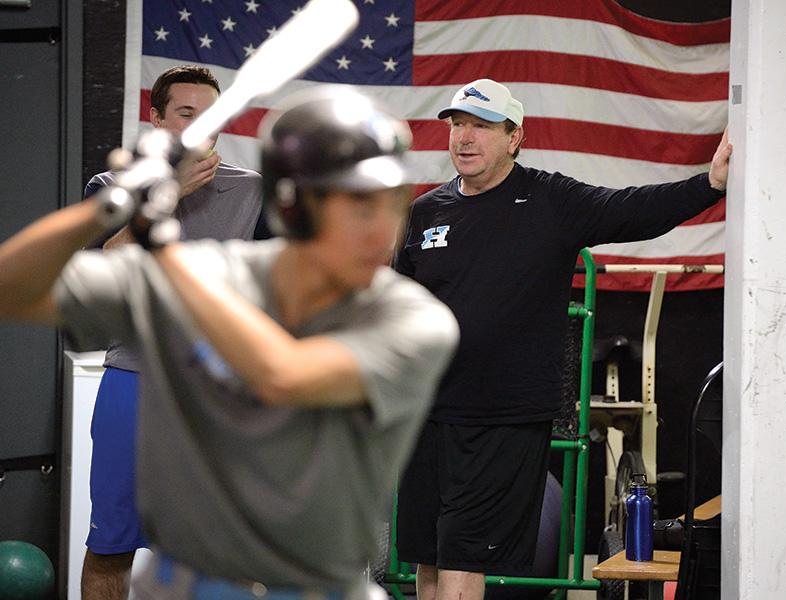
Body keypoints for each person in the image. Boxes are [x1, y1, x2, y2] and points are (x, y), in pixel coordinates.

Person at [0, 85, 458, 599]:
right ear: (293, 207)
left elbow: (283, 374)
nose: (384, 231)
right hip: (183, 585)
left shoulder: (414, 319)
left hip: (318, 588)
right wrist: (113, 204)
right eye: (357, 206)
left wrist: (161, 248)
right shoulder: (216, 271)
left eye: (392, 202)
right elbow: (13, 289)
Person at [393, 78, 732, 600]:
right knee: (428, 553)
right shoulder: (426, 211)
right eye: (457, 124)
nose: (464, 137)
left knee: (463, 551)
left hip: (500, 416)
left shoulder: (550, 200)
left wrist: (708, 184)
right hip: (427, 412)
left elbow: (633, 209)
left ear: (514, 137)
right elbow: (400, 304)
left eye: (481, 126)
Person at [80, 64, 265, 600]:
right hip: (133, 384)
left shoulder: (253, 192)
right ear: (156, 118)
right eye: (186, 113)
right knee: (111, 546)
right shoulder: (112, 188)